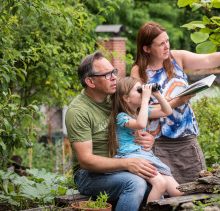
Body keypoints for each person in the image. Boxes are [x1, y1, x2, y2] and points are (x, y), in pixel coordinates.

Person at [131, 22, 220, 184]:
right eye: (161, 44)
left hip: (186, 140)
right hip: (157, 143)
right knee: (167, 198)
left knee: (198, 191)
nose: (166, 46)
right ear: (146, 48)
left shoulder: (177, 57)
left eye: (167, 41)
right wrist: (177, 102)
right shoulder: (138, 70)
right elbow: (139, 109)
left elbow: (208, 59)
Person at [65, 51, 158, 211]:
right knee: (135, 183)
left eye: (113, 71)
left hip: (121, 162)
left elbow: (142, 117)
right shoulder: (78, 111)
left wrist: (148, 138)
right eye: (107, 75)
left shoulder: (116, 99)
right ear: (90, 82)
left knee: (159, 181)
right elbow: (86, 161)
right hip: (89, 175)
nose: (115, 77)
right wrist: (127, 163)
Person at [108, 77, 183, 203]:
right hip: (131, 157)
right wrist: (145, 100)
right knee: (160, 184)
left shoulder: (141, 112)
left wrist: (157, 94)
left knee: (177, 191)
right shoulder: (121, 117)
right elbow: (141, 124)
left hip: (146, 156)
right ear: (126, 98)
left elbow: (167, 110)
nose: (143, 93)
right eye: (139, 90)